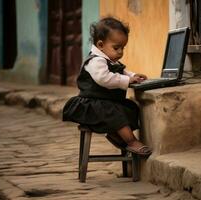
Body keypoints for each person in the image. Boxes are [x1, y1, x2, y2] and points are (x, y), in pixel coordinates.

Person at [63, 16, 152, 156]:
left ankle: (115, 134)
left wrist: (133, 76)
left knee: (131, 107)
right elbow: (104, 79)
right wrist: (127, 81)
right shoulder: (96, 61)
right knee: (114, 112)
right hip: (93, 105)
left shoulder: (109, 60)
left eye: (123, 48)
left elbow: (122, 71)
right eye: (116, 48)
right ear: (100, 45)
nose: (120, 52)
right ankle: (131, 141)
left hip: (106, 103)